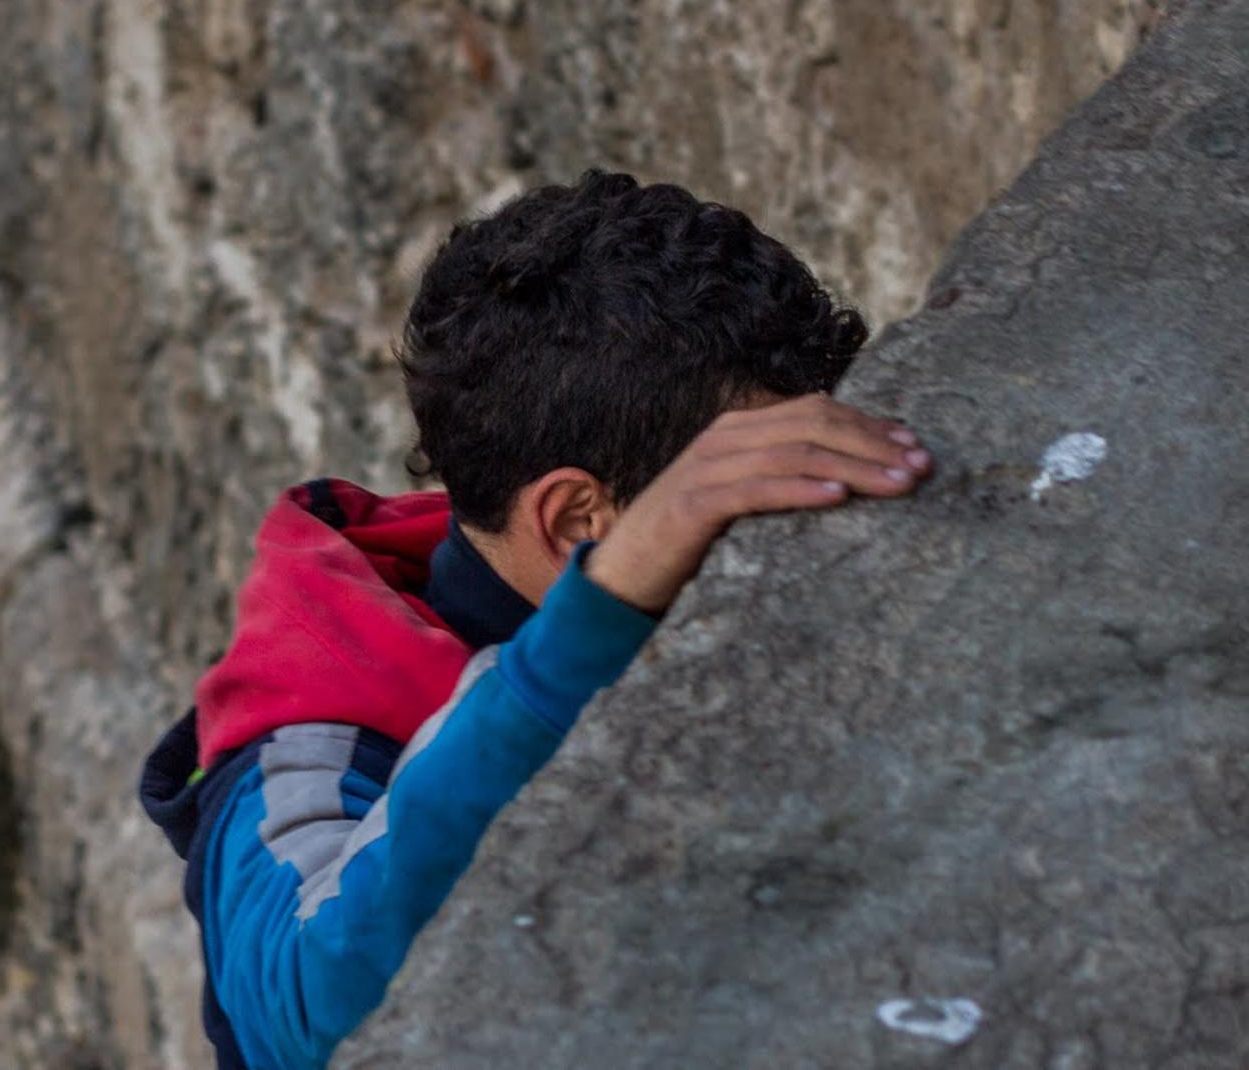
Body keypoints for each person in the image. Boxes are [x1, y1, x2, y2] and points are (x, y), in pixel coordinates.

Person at [139, 171, 934, 1069]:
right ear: (576, 521)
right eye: (737, 490)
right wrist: (602, 609)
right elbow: (311, 1008)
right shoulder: (302, 744)